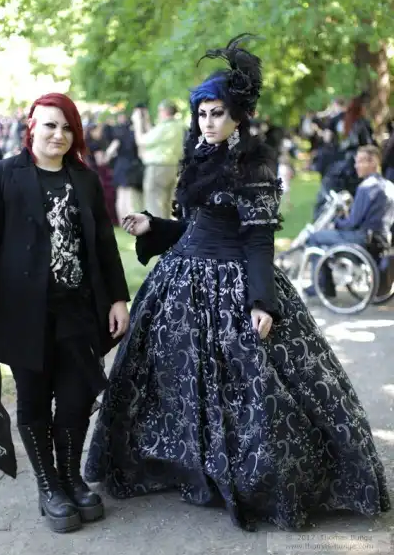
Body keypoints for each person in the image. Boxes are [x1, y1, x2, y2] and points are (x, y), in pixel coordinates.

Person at [85, 37, 390, 531]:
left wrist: (261, 300)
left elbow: (257, 240)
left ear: (238, 117)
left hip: (234, 283)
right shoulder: (199, 155)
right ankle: (184, 465)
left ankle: (256, 479)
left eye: (218, 114)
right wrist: (154, 226)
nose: (208, 122)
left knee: (255, 389)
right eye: (202, 113)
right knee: (172, 380)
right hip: (181, 281)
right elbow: (197, 227)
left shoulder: (254, 166)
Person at [0, 93, 130, 533]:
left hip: (78, 310)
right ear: (32, 126)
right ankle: (49, 486)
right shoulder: (3, 175)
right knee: (33, 399)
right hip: (23, 312)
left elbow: (105, 243)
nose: (59, 134)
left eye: (67, 127)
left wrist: (118, 298)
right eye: (50, 125)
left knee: (76, 398)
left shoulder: (84, 179)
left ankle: (71, 477)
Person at [306, 145, 394, 297]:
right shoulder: (389, 186)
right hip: (382, 239)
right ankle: (325, 284)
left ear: (373, 162)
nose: (356, 166)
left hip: (363, 239)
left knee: (314, 238)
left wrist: (336, 223)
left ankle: (321, 285)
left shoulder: (366, 187)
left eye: (360, 161)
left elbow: (352, 223)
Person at [131, 101, 185, 218]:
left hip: (157, 168)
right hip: (171, 167)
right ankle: (165, 228)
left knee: (154, 203)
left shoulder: (164, 127)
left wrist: (137, 123)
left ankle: (156, 228)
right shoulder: (177, 126)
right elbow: (155, 137)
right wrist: (146, 121)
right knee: (166, 204)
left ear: (164, 111)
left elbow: (141, 140)